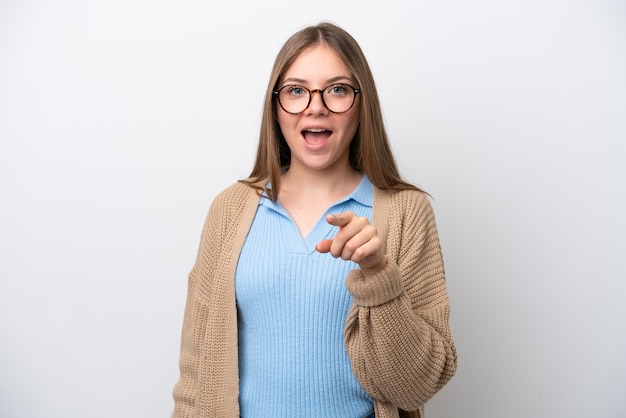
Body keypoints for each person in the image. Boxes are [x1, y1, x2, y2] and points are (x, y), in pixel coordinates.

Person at [171, 22, 457, 418]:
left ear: (362, 105)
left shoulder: (406, 212)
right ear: (276, 106)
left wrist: (378, 275)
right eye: (296, 91)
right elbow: (195, 371)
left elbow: (415, 387)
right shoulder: (230, 209)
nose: (316, 105)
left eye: (337, 89)